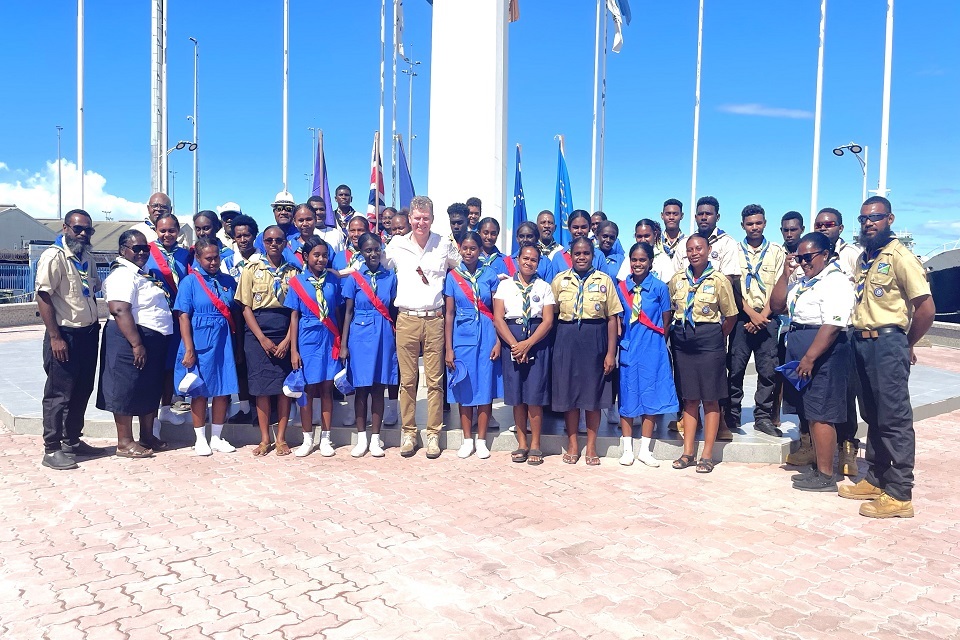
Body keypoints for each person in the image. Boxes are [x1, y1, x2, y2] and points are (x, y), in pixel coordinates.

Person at [839, 197, 935, 518]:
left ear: (889, 219)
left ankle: (900, 493)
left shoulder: (900, 257)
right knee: (872, 414)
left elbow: (925, 308)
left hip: (888, 343)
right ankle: (877, 478)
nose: (869, 223)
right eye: (864, 218)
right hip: (862, 343)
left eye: (876, 217)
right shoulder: (865, 258)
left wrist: (907, 343)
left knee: (894, 418)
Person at [769, 232, 854, 492]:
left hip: (822, 352)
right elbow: (776, 305)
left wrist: (809, 358)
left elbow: (833, 324)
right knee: (811, 413)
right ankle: (819, 467)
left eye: (809, 257)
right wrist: (785, 274)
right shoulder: (803, 281)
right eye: (800, 257)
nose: (804, 262)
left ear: (825, 254)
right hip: (802, 345)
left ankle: (826, 475)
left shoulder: (834, 281)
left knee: (822, 413)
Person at [384, 195, 460, 459]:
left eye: (425, 218)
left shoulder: (444, 245)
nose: (421, 223)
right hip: (406, 319)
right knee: (407, 381)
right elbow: (375, 268)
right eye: (416, 218)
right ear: (409, 219)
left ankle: (433, 435)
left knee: (435, 381)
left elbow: (461, 270)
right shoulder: (396, 244)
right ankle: (408, 433)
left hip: (434, 319)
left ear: (432, 219)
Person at [35, 210, 105, 470]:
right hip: (64, 335)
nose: (84, 234)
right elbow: (43, 297)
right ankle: (51, 449)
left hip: (87, 333)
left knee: (82, 389)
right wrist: (55, 337)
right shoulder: (53, 257)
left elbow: (91, 289)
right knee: (58, 394)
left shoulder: (87, 256)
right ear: (65, 228)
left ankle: (72, 441)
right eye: (78, 229)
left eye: (88, 229)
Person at [96, 230, 174, 459]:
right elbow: (119, 309)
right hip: (129, 339)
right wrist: (136, 344)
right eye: (136, 248)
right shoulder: (122, 274)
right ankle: (124, 442)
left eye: (144, 248)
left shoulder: (143, 274)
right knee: (126, 388)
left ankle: (147, 436)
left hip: (151, 339)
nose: (141, 252)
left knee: (149, 387)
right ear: (123, 250)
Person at [668, 235, 737, 474]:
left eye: (699, 248)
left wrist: (716, 337)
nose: (694, 252)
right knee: (688, 398)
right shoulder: (677, 279)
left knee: (710, 398)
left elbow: (730, 316)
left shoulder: (718, 280)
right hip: (683, 342)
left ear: (708, 250)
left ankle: (707, 454)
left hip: (709, 341)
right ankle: (688, 452)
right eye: (690, 249)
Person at [551, 237, 623, 466]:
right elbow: (550, 316)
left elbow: (613, 318)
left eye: (586, 253)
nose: (581, 257)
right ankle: (573, 444)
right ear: (570, 255)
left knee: (593, 395)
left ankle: (591, 446)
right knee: (569, 394)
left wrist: (611, 353)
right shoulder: (559, 280)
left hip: (595, 338)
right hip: (567, 337)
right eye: (577, 253)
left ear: (593, 255)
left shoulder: (605, 280)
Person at [237, 225, 300, 456]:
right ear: (263, 242)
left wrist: (287, 342)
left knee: (284, 388)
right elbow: (245, 307)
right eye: (269, 240)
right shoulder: (251, 269)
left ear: (285, 243)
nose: (274, 244)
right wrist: (262, 338)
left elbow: (296, 310)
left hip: (285, 328)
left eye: (279, 240)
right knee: (262, 388)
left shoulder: (293, 271)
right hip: (257, 333)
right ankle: (265, 439)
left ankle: (281, 438)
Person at [174, 238, 240, 456]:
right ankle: (200, 438)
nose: (213, 262)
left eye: (216, 257)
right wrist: (188, 348)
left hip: (223, 341)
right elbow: (183, 316)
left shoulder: (228, 280)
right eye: (208, 258)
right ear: (198, 258)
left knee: (223, 389)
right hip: (200, 339)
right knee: (199, 391)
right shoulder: (189, 283)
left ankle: (217, 437)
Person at [616, 241, 678, 467]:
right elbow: (617, 318)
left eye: (643, 260)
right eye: (634, 260)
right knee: (628, 395)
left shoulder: (660, 287)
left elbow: (666, 319)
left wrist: (657, 342)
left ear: (651, 262)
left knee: (651, 395)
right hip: (629, 347)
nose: (638, 264)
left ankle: (645, 449)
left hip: (653, 348)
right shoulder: (621, 287)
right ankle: (627, 449)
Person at [493, 244, 555, 466]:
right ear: (518, 259)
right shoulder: (505, 286)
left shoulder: (544, 287)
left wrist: (528, 344)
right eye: (525, 258)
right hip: (512, 339)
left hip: (536, 342)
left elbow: (548, 320)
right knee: (517, 396)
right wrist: (514, 345)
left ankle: (536, 444)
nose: (529, 262)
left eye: (534, 260)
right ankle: (522, 443)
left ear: (538, 263)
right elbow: (499, 318)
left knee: (534, 395)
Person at [814, 206, 864, 476]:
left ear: (841, 228)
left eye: (829, 224)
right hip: (816, 331)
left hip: (845, 331)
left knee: (846, 392)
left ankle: (847, 446)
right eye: (819, 224)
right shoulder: (809, 252)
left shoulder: (853, 255)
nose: (824, 228)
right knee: (817, 394)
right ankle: (814, 445)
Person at [727, 204, 785, 437]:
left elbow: (781, 286)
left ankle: (763, 416)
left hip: (768, 318)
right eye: (750, 224)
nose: (754, 227)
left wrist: (763, 316)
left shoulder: (776, 251)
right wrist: (751, 315)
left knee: (767, 370)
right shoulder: (734, 251)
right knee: (735, 369)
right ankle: (732, 414)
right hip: (742, 317)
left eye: (758, 223)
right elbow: (731, 287)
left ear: (765, 223)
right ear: (743, 225)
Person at [444, 232, 502, 459]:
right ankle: (467, 439)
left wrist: (498, 341)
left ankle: (482, 440)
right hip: (462, 336)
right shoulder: (452, 276)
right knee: (464, 386)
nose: (469, 252)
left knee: (485, 388)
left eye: (473, 248)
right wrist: (449, 348)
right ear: (460, 249)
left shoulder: (490, 275)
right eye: (465, 248)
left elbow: (498, 313)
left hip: (487, 334)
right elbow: (449, 314)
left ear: (480, 250)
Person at [340, 232, 399, 457]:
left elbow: (393, 309)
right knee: (361, 389)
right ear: (361, 252)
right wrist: (344, 344)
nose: (373, 254)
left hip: (383, 334)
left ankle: (376, 438)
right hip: (359, 334)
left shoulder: (390, 277)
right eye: (368, 250)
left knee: (378, 387)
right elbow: (347, 312)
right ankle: (361, 438)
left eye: (376, 249)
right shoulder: (354, 278)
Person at [286, 236, 344, 458]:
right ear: (306, 257)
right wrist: (294, 349)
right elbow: (294, 316)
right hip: (307, 337)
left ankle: (326, 438)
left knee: (327, 388)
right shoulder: (297, 282)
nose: (321, 259)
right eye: (316, 255)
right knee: (307, 390)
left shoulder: (333, 280)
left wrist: (341, 341)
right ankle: (307, 438)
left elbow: (338, 311)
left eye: (324, 255)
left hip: (329, 338)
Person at [144, 212, 191, 435]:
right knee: (154, 367)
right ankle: (151, 419)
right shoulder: (146, 251)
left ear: (178, 231)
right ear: (155, 230)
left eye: (171, 230)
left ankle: (165, 408)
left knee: (170, 366)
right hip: (154, 316)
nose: (167, 234)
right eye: (162, 230)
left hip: (178, 316)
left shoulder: (186, 254)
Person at [221, 214, 260, 424]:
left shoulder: (263, 260)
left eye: (247, 235)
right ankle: (244, 407)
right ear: (233, 238)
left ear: (254, 236)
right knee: (240, 361)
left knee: (258, 362)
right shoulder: (226, 263)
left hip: (259, 317)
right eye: (239, 236)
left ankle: (261, 407)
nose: (243, 239)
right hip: (235, 318)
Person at [615, 219, 675, 284]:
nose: (643, 240)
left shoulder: (663, 259)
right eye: (639, 236)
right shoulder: (629, 259)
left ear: (655, 235)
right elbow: (622, 284)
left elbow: (667, 285)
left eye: (646, 236)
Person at [551, 210, 592, 274]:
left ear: (590, 228)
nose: (579, 231)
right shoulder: (558, 257)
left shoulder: (598, 256)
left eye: (583, 227)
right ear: (569, 228)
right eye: (575, 227)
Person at [285, 203, 321, 269]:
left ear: (315, 220)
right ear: (295, 222)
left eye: (309, 219)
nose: (305, 224)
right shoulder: (287, 249)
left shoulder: (325, 247)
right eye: (301, 220)